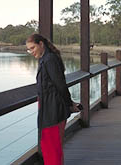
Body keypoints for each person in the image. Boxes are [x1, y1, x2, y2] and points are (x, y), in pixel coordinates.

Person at [26, 34, 80, 165]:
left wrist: (70, 104)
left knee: (51, 148)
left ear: (41, 44)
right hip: (50, 108)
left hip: (53, 110)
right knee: (51, 146)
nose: (31, 52)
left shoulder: (49, 59)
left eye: (32, 48)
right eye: (29, 49)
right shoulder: (45, 58)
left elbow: (60, 84)